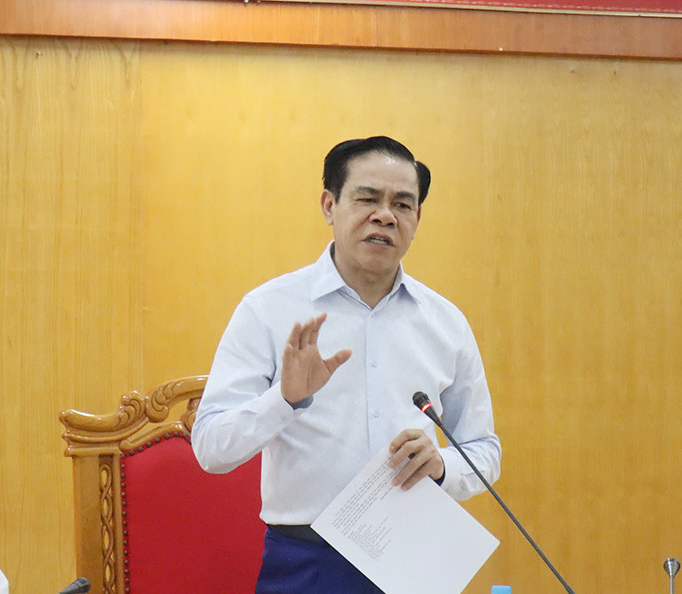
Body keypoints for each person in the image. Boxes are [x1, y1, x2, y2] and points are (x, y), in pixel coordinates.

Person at [192, 136, 501, 593]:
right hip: (308, 563)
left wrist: (441, 465)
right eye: (367, 198)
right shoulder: (268, 309)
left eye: (402, 204)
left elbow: (484, 451)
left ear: (417, 219)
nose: (385, 216)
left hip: (416, 558)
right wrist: (285, 400)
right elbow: (211, 448)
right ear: (329, 205)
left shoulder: (445, 322)